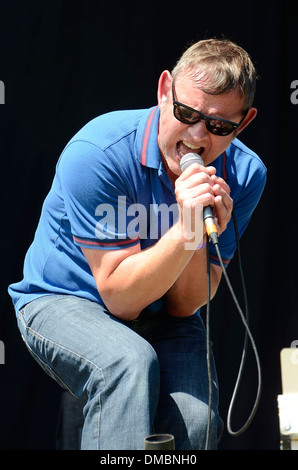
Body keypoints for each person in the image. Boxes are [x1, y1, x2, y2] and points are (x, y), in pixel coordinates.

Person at [8, 38, 266, 450]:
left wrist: (196, 237)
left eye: (219, 126)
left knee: (198, 420)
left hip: (164, 313)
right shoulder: (98, 151)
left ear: (243, 123)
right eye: (187, 113)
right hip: (65, 299)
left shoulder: (245, 174)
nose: (198, 136)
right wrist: (185, 230)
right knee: (127, 365)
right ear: (164, 91)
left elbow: (186, 305)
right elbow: (120, 299)